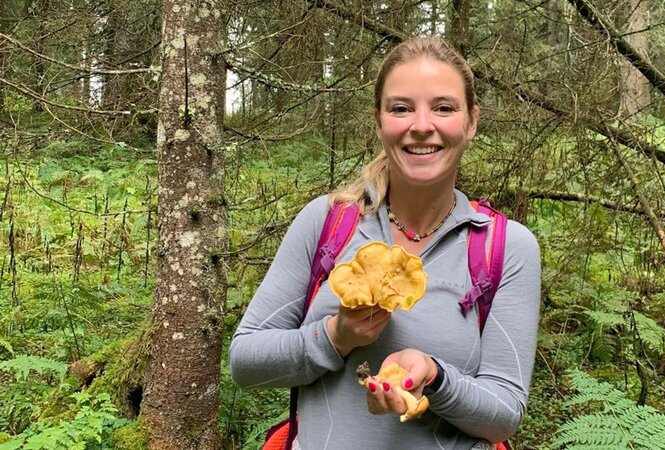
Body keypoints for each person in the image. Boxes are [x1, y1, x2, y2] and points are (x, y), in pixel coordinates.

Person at [229, 37, 541, 449]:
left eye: (444, 107)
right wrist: (336, 336)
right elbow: (245, 363)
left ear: (471, 122)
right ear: (379, 121)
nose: (422, 125)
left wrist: (433, 376)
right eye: (401, 108)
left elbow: (504, 415)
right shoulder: (326, 222)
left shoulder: (504, 248)